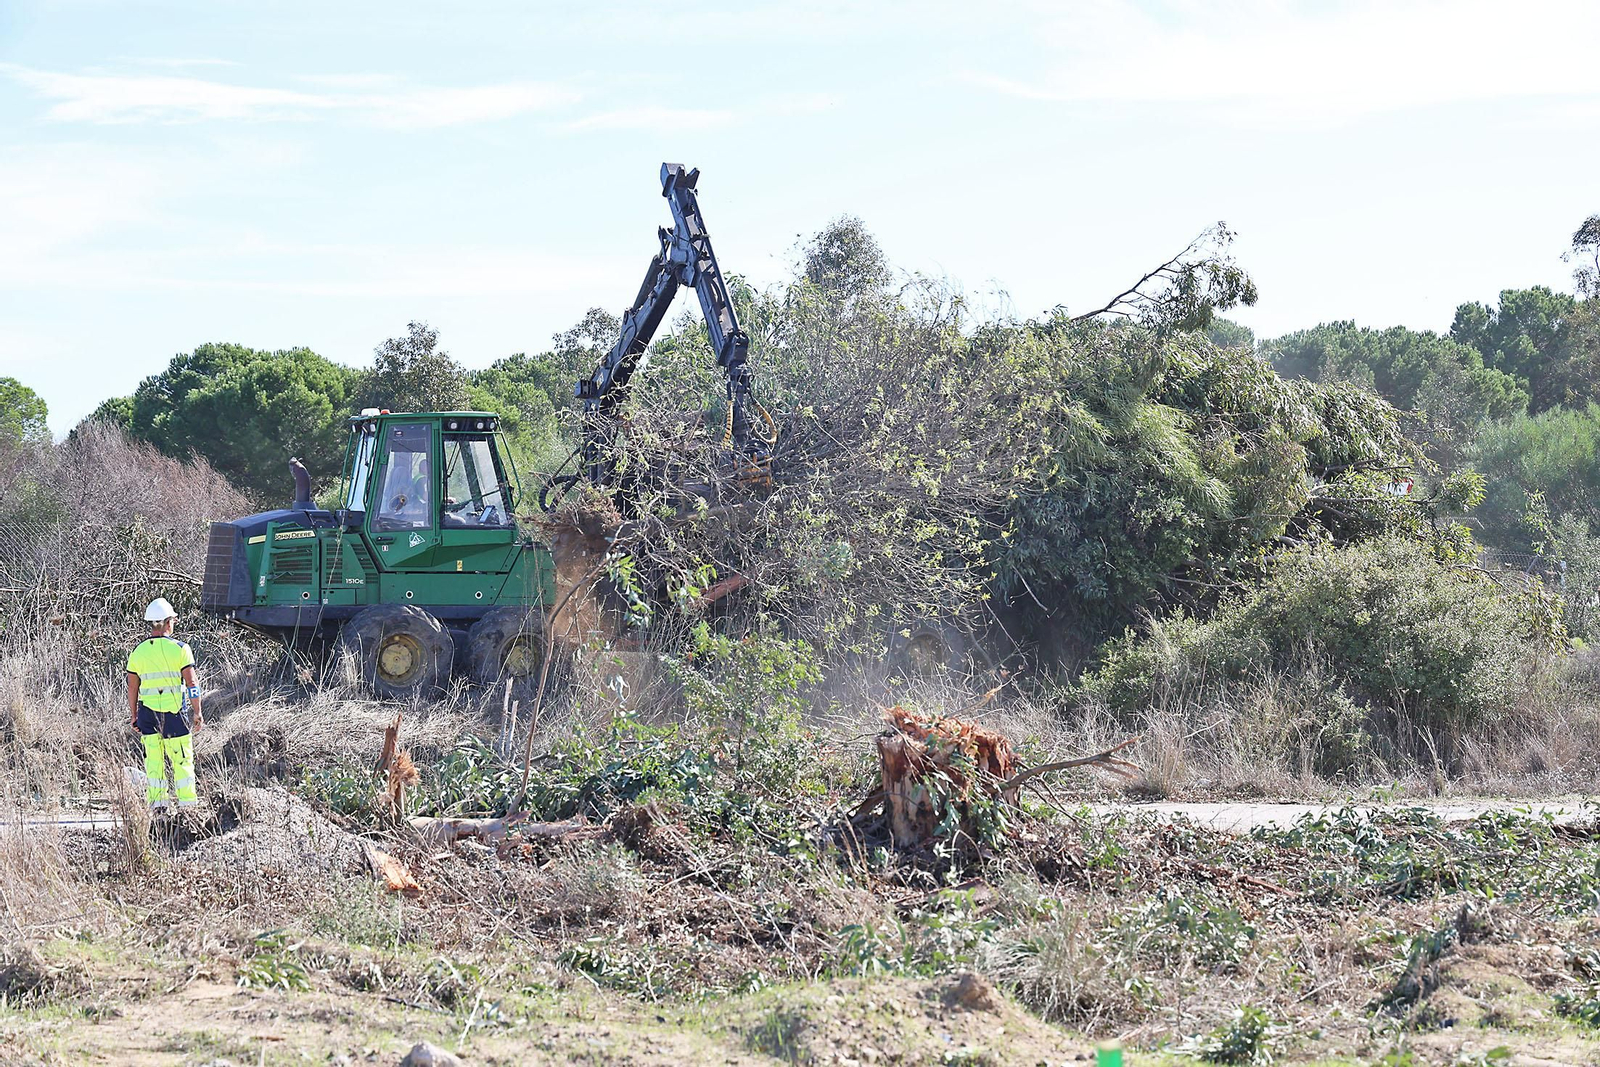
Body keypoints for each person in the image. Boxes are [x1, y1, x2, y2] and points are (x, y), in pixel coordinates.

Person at [126, 598, 203, 810]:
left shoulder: (138, 652)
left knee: (153, 762)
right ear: (169, 622)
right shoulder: (180, 649)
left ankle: (158, 807)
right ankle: (188, 808)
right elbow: (192, 683)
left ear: (152, 624)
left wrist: (134, 715)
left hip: (148, 715)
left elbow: (133, 688)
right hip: (175, 714)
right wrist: (197, 711)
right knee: (182, 760)